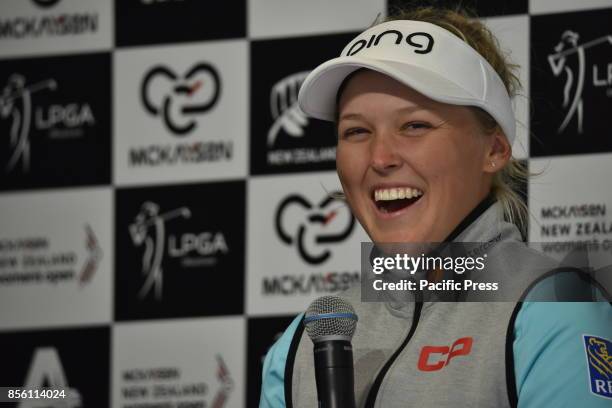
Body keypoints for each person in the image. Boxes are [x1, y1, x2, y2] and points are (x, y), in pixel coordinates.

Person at [260, 7, 612, 407]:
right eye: (356, 131)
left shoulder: (553, 308)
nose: (380, 157)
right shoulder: (301, 345)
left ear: (494, 149)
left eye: (415, 125)